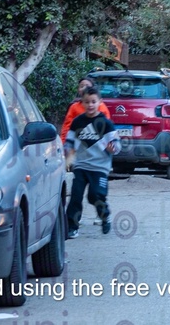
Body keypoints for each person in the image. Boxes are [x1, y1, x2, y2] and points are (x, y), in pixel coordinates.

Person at [64, 86, 121, 238]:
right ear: (82, 103)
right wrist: (67, 152)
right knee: (75, 196)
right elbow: (70, 140)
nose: (90, 105)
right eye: (87, 102)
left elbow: (116, 144)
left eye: (93, 102)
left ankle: (104, 215)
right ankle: (71, 226)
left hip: (100, 167)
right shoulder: (78, 122)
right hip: (81, 165)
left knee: (95, 195)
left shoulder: (105, 123)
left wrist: (112, 148)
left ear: (99, 103)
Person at [60, 77, 111, 142]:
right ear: (78, 89)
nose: (84, 88)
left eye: (87, 86)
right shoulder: (74, 107)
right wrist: (64, 143)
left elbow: (107, 129)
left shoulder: (101, 107)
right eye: (82, 86)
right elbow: (67, 127)